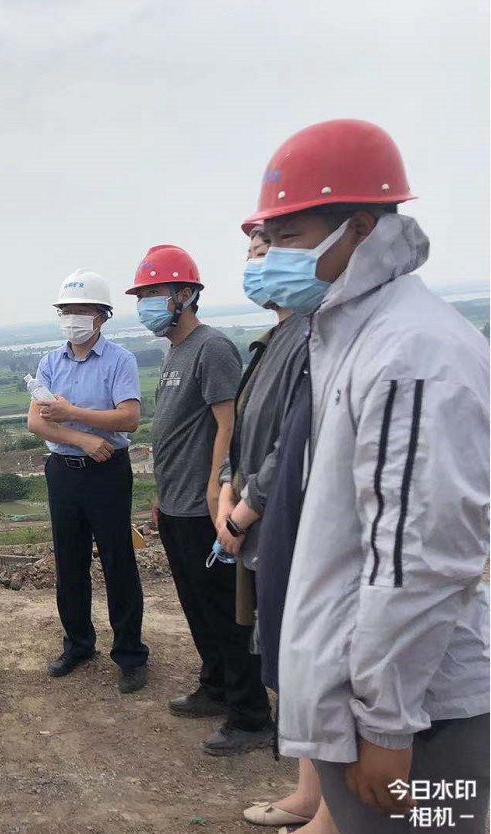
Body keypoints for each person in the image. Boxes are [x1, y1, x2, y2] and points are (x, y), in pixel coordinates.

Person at [241, 119, 490, 832]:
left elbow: (419, 555)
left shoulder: (411, 352)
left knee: (434, 825)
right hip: (367, 686)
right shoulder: (351, 332)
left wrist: (386, 724)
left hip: (421, 711)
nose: (269, 256)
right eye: (269, 237)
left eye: (289, 236)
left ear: (359, 227)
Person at [129, 245, 274, 756]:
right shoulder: (176, 350)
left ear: (186, 294)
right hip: (176, 504)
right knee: (196, 606)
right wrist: (161, 496)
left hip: (205, 507)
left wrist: (217, 490)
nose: (145, 303)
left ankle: (251, 715)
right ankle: (215, 687)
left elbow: (228, 426)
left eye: (154, 292)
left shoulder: (212, 347)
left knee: (225, 612)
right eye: (141, 294)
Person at [216, 227, 336, 830]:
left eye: (264, 253)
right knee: (292, 661)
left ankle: (331, 808)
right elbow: (247, 434)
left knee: (313, 664)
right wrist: (227, 486)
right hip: (264, 521)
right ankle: (309, 793)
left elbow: (294, 440)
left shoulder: (315, 335)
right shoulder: (275, 339)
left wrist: (243, 509)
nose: (255, 266)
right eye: (250, 255)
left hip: (293, 525)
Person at [26, 269, 149, 693]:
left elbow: (129, 418)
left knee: (118, 562)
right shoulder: (49, 362)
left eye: (81, 310)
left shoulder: (120, 360)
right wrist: (80, 437)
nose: (72, 318)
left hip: (108, 471)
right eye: (66, 310)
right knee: (69, 562)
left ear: (102, 315)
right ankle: (78, 645)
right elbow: (35, 422)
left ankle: (130, 654)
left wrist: (72, 414)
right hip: (64, 471)